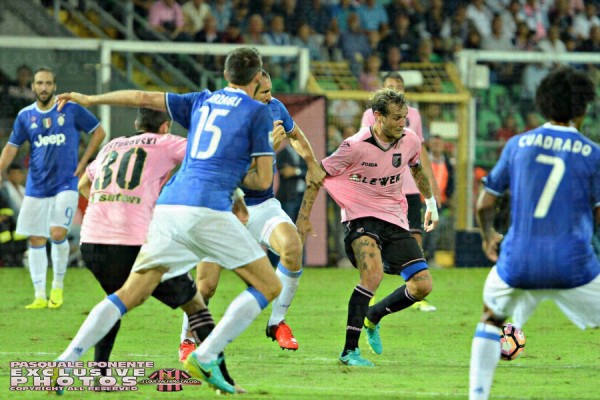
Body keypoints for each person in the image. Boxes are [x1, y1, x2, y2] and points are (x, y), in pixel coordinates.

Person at [53, 47, 280, 395]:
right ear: (256, 78)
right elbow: (262, 181)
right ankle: (206, 355)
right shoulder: (258, 112)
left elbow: (142, 97)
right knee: (269, 286)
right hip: (207, 209)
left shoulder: (201, 99)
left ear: (225, 75)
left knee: (129, 293)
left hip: (168, 209)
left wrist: (91, 98)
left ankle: (67, 360)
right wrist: (257, 156)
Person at [469, 67, 600, 400]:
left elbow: (484, 204)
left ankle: (477, 396)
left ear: (543, 104)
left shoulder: (517, 145)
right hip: (573, 263)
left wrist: (489, 236)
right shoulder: (593, 154)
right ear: (582, 110)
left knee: (490, 318)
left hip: (519, 259)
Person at [178, 70, 326, 360]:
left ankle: (277, 322)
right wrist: (265, 148)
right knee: (207, 285)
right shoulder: (226, 117)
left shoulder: (275, 108)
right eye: (264, 92)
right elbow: (224, 168)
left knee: (292, 247)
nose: (270, 97)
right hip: (223, 206)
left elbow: (295, 134)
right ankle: (187, 339)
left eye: (270, 90)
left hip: (261, 204)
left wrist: (311, 161)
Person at [296, 88, 439, 366]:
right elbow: (317, 174)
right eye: (396, 118)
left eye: (404, 117)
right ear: (378, 116)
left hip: (393, 217)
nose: (402, 123)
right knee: (372, 275)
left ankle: (373, 315)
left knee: (422, 285)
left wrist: (431, 203)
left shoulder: (410, 140)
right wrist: (303, 217)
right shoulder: (354, 146)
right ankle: (349, 351)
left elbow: (417, 169)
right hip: (359, 217)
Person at [0, 66, 106, 309]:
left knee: (57, 233)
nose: (44, 87)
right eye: (39, 83)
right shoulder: (25, 115)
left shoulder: (70, 109)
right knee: (36, 238)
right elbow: (11, 146)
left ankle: (57, 287)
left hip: (66, 183)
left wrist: (84, 162)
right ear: (33, 86)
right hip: (36, 186)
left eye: (48, 83)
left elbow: (99, 132)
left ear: (55, 86)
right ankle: (39, 295)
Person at [361, 71, 440, 312]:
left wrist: (431, 186)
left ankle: (416, 293)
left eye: (398, 85)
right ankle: (369, 295)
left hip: (409, 186)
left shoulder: (413, 115)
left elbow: (419, 151)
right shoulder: (370, 115)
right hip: (382, 188)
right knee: (372, 242)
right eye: (390, 85)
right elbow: (365, 147)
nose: (395, 88)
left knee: (415, 236)